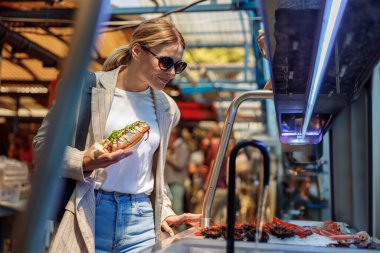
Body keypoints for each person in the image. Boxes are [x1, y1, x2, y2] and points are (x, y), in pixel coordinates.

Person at [33, 18, 200, 253]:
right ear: (137, 51)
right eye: (165, 62)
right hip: (90, 212)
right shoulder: (85, 88)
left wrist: (164, 210)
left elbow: (151, 171)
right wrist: (83, 161)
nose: (172, 72)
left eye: (178, 65)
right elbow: (42, 146)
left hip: (141, 219)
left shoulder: (167, 108)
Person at [165, 127, 190, 215]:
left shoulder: (182, 147)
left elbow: (180, 164)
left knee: (177, 209)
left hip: (177, 182)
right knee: (169, 210)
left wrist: (168, 157)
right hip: (168, 181)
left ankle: (181, 229)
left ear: (173, 136)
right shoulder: (171, 146)